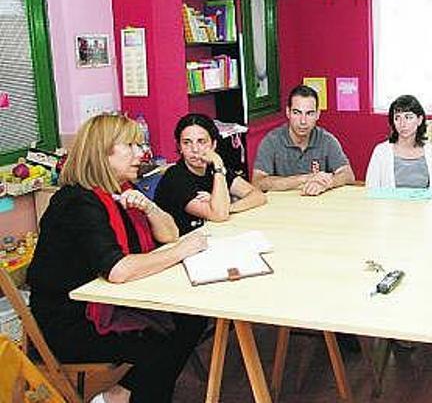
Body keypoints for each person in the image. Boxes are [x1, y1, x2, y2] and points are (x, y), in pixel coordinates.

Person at [27, 114, 208, 403]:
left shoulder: (120, 189)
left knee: (193, 319)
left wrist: (149, 207)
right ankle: (119, 397)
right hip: (69, 321)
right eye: (131, 145)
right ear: (103, 152)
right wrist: (181, 252)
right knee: (160, 345)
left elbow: (171, 233)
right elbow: (118, 269)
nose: (141, 153)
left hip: (106, 304)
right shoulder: (77, 202)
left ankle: (119, 394)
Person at [155, 113, 266, 235]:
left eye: (201, 142)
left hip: (211, 235)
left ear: (214, 145)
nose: (195, 149)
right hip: (181, 245)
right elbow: (219, 215)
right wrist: (218, 165)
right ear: (179, 147)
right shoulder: (175, 177)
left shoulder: (212, 168)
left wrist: (228, 207)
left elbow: (258, 196)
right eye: (187, 143)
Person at [253, 85, 355, 196]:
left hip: (318, 206)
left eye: (309, 113)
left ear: (317, 114)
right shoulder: (271, 141)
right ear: (288, 113)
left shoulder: (327, 140)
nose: (303, 121)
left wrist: (327, 183)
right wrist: (305, 178)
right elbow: (258, 182)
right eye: (297, 113)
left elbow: (348, 175)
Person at [365, 94, 432, 192]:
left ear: (419, 120)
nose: (402, 124)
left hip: (425, 206)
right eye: (397, 118)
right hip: (390, 206)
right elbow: (371, 189)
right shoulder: (381, 152)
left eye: (408, 117)